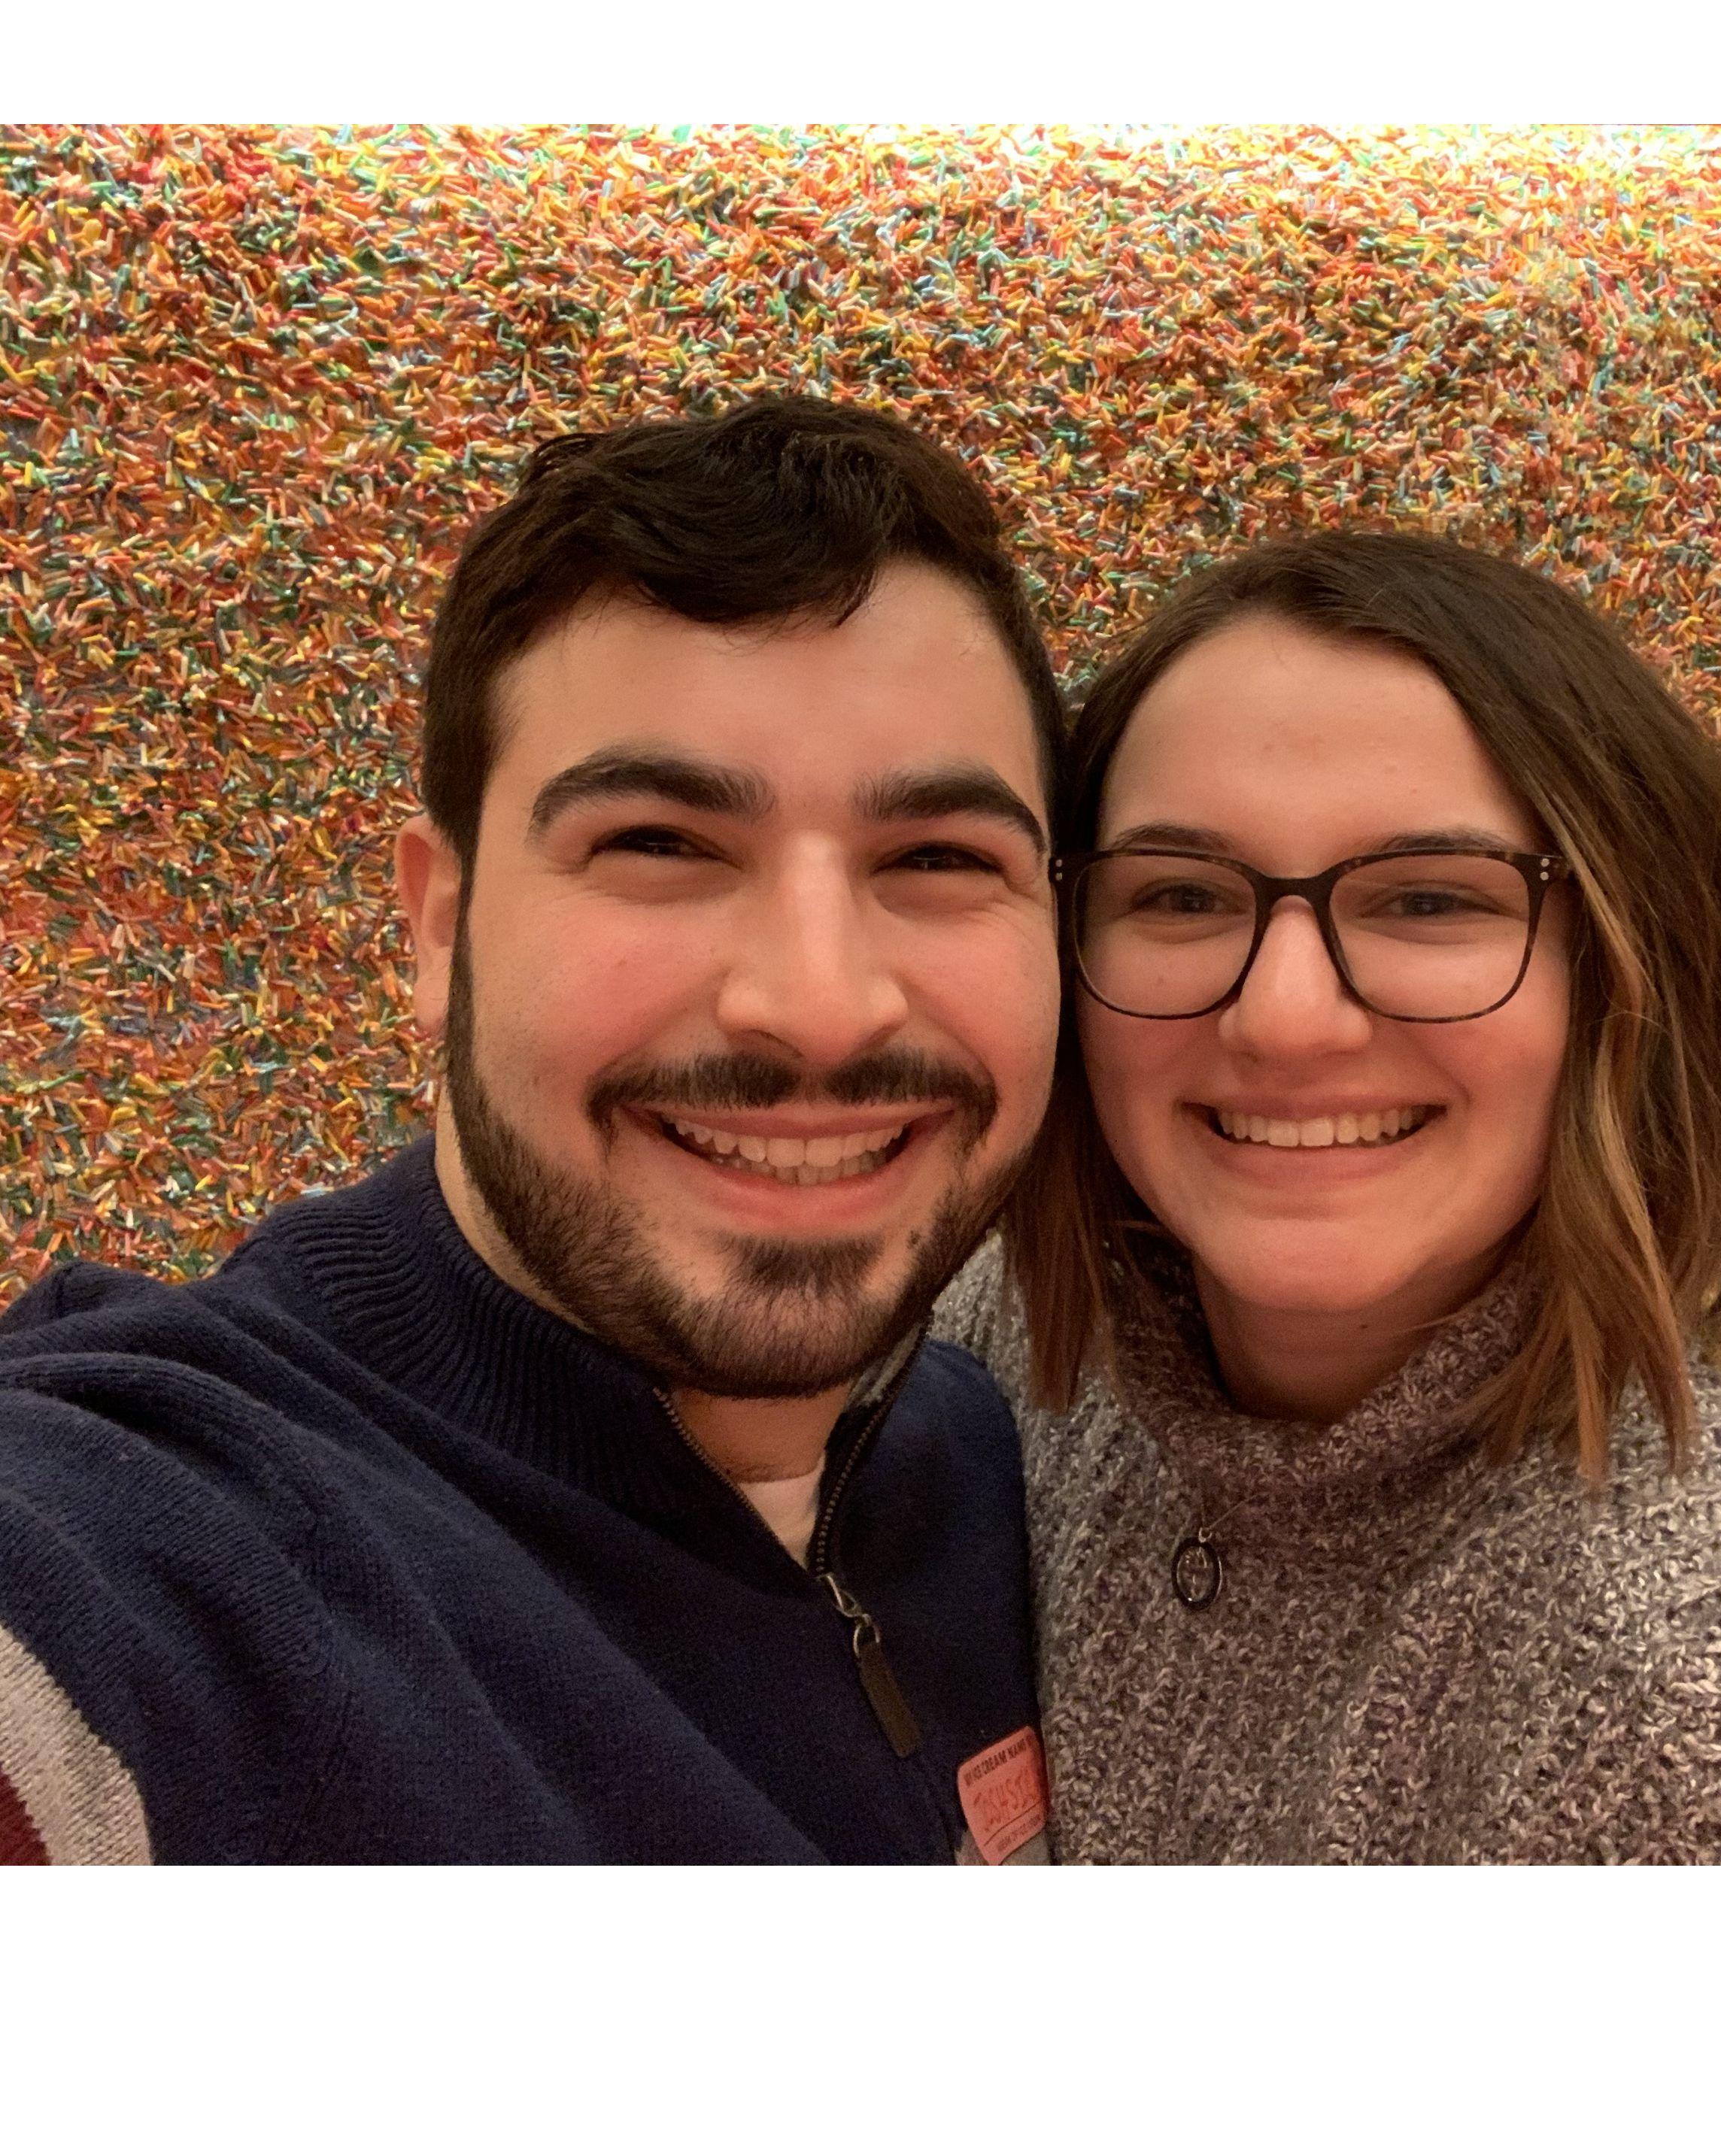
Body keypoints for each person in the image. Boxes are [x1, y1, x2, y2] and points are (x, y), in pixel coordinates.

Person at [0, 394, 1064, 1863]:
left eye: (939, 856)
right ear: (441, 924)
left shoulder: (1008, 1470)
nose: (816, 1005)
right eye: (658, 844)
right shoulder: (160, 1538)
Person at [938, 529, 1721, 1863]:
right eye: (1183, 894)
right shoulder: (1015, 1350)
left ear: (1621, 979)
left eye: (1425, 900)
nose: (1288, 1018)